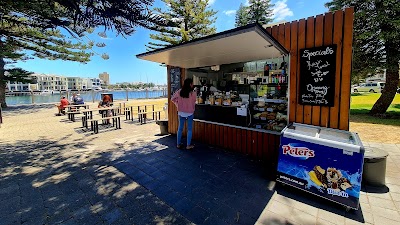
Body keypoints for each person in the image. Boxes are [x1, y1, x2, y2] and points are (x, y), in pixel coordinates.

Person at [171, 78, 197, 150]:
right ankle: (188, 145)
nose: (193, 85)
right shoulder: (193, 93)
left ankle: (178, 144)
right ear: (190, 84)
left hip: (181, 112)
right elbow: (194, 101)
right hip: (190, 113)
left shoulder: (179, 92)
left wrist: (177, 104)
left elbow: (172, 99)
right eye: (192, 83)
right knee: (189, 129)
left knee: (180, 128)